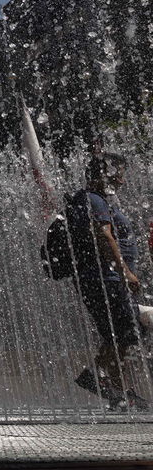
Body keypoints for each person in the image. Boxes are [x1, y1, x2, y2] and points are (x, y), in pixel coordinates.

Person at [69, 153, 148, 410]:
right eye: (120, 173)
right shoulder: (92, 199)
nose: (123, 180)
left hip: (108, 278)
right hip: (107, 278)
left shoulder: (98, 199)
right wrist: (126, 272)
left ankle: (118, 390)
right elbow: (105, 236)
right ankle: (95, 375)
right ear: (107, 173)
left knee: (119, 333)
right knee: (126, 331)